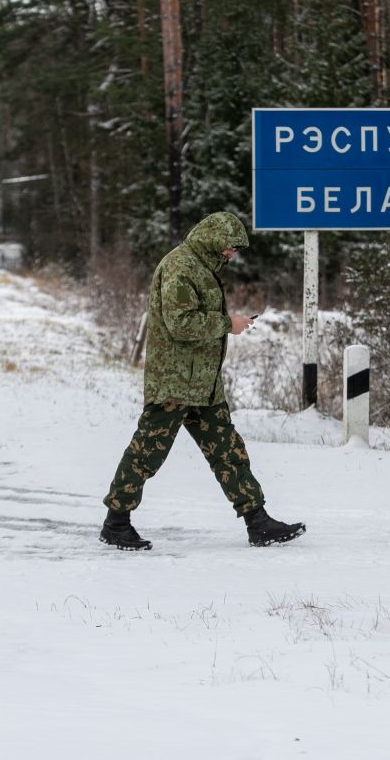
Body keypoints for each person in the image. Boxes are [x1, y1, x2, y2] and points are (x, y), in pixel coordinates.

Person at [100, 211, 306, 551]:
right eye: (229, 247)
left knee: (229, 452)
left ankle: (258, 521)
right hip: (174, 383)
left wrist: (227, 324)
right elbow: (180, 323)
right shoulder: (181, 266)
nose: (232, 254)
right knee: (146, 453)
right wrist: (228, 323)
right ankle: (116, 522)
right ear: (213, 239)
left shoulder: (205, 267)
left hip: (203, 384)